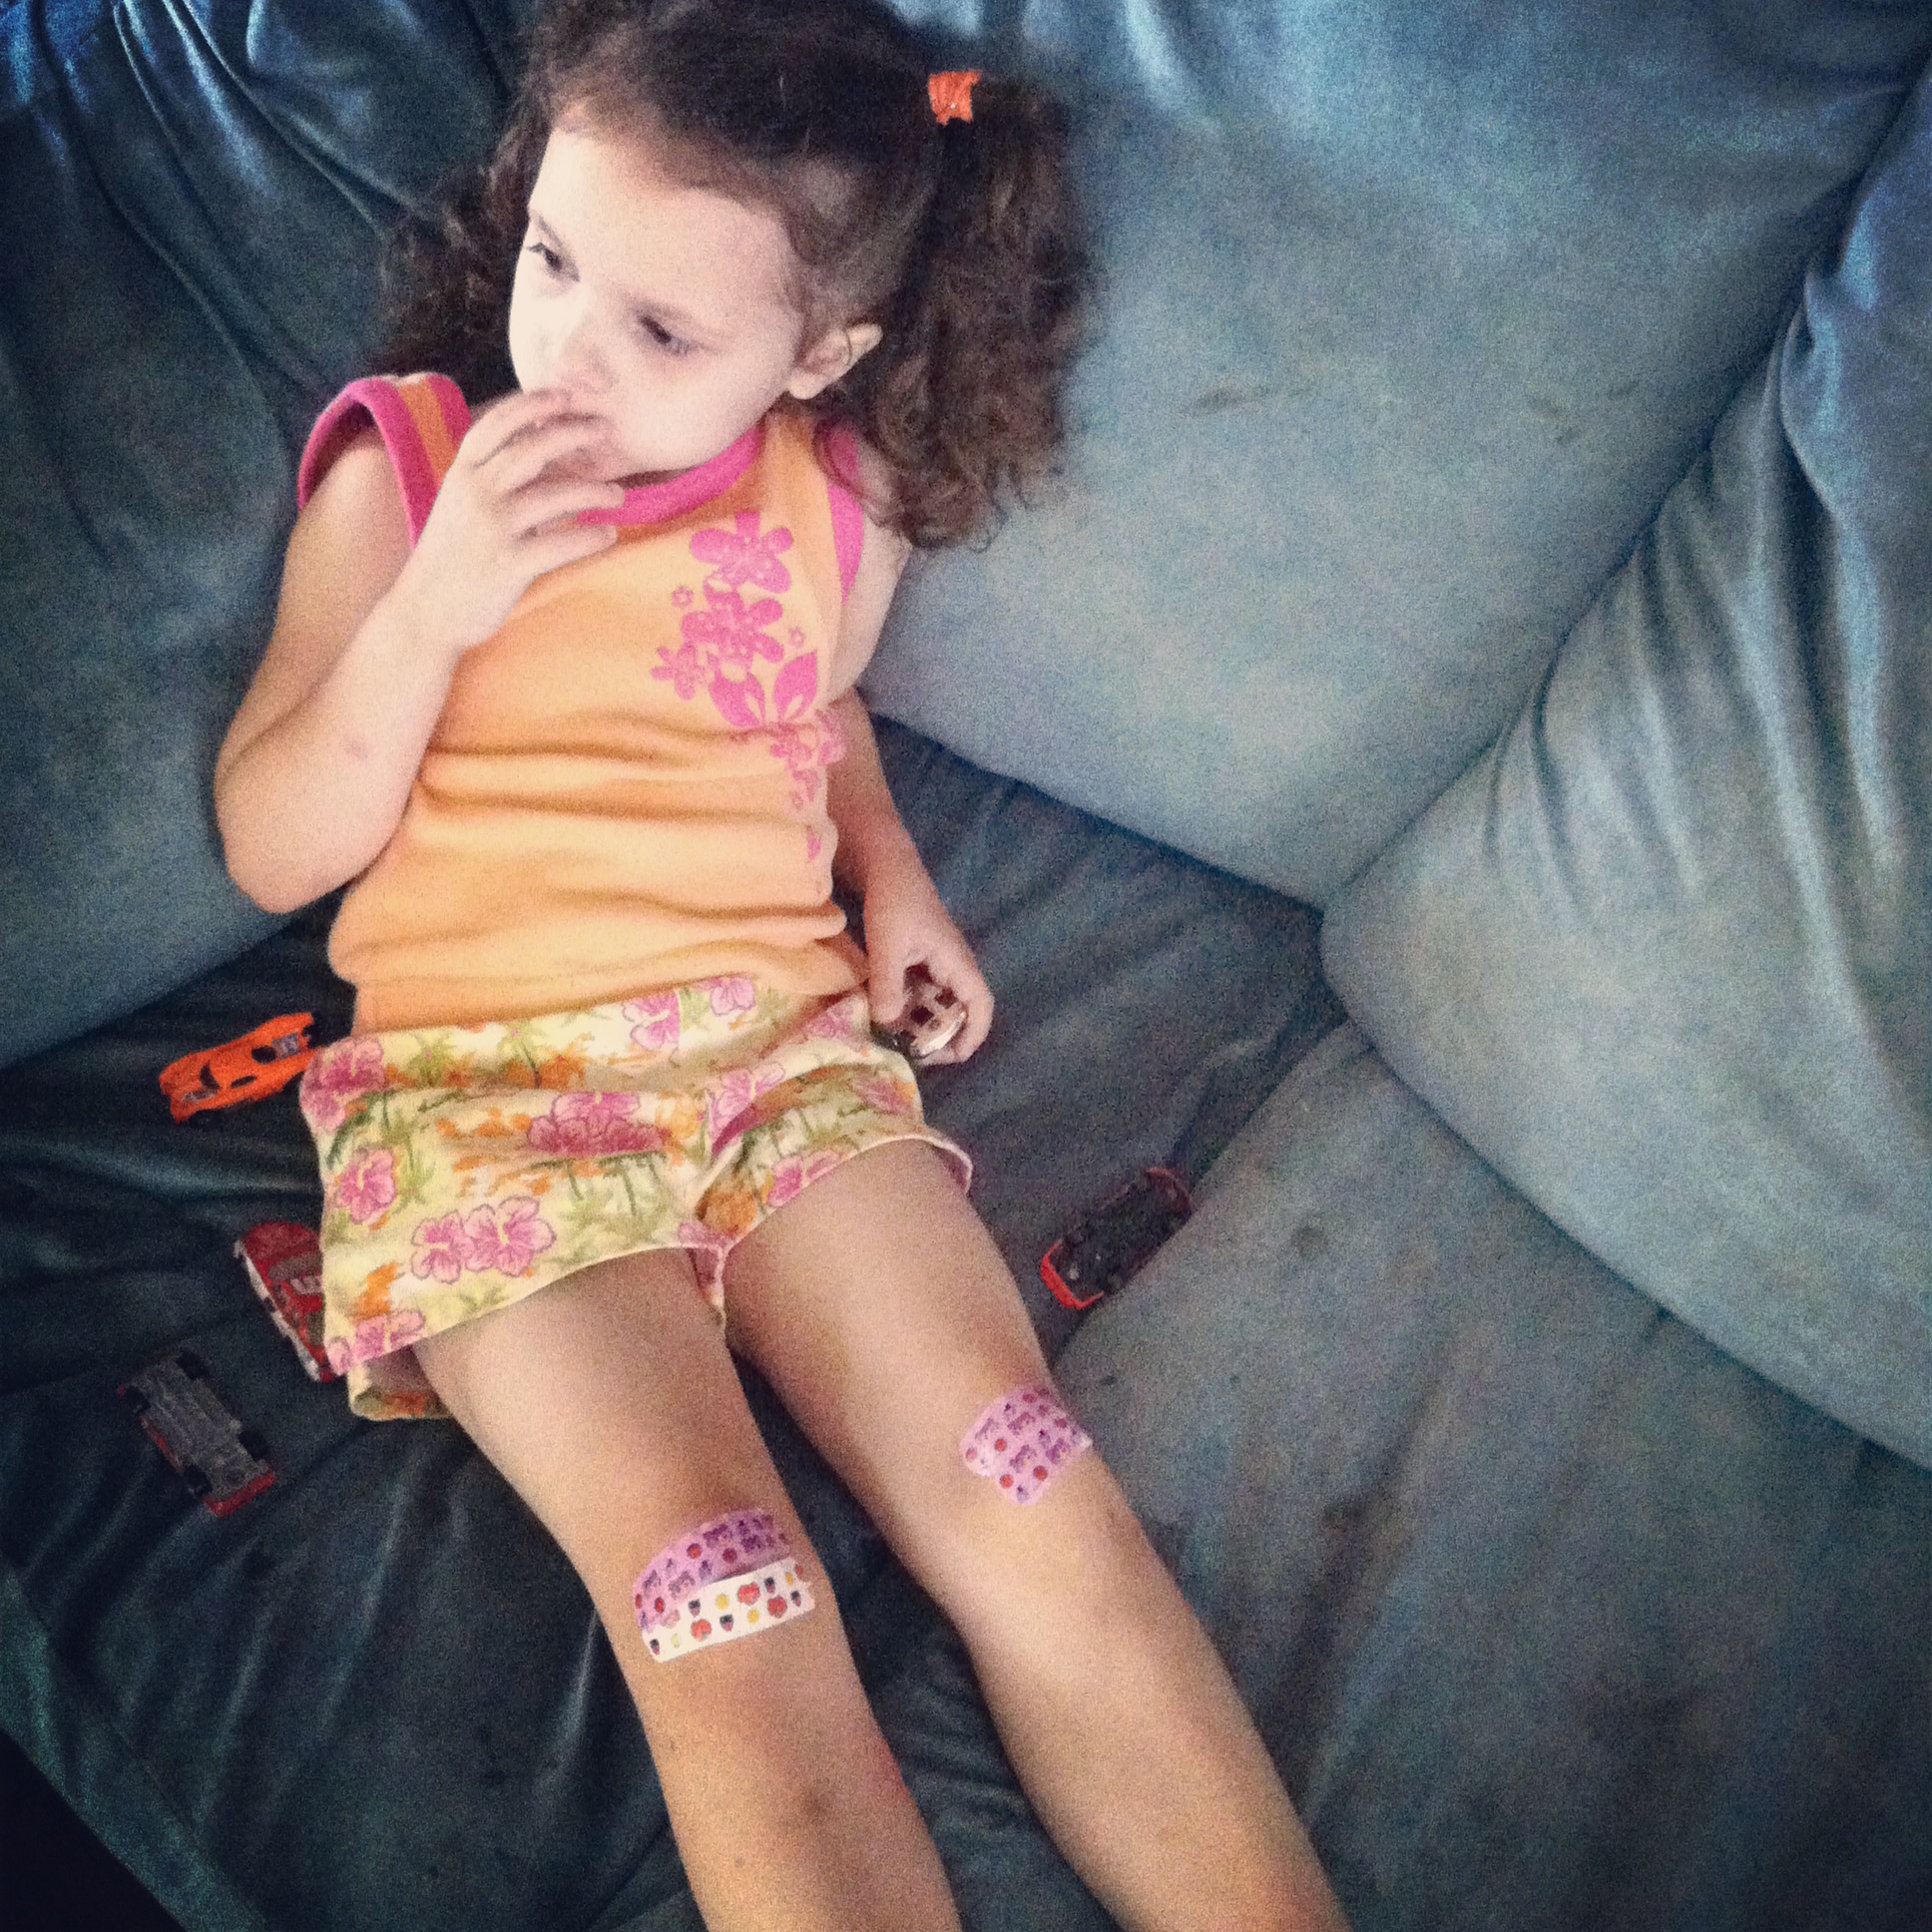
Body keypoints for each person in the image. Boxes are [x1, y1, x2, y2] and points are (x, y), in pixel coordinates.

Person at [215, 2, 1350, 1928]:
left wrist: (890, 879)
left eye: (663, 331)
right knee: (723, 1592)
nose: (567, 351)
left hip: (774, 1057)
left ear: (818, 354)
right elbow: (271, 842)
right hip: (480, 1102)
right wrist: (434, 613)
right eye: (555, 261)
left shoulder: (837, 494)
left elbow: (808, 710)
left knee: (1028, 1489)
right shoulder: (407, 470)